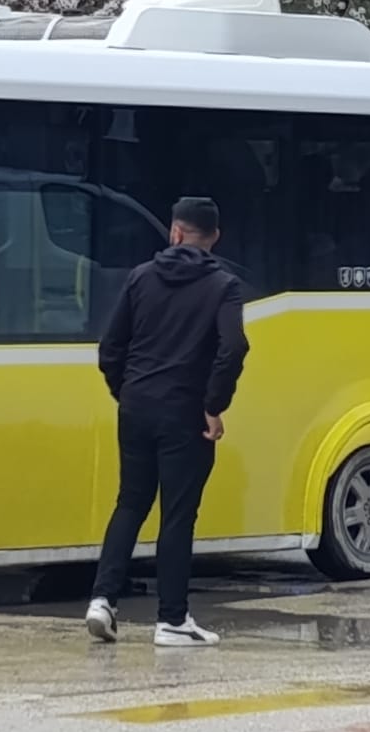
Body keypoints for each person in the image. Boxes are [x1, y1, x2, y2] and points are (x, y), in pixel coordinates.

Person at [85, 196, 250, 648]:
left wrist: (127, 391)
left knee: (130, 503)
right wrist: (214, 405)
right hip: (185, 414)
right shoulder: (223, 286)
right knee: (177, 514)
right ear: (213, 238)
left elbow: (109, 348)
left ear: (174, 232)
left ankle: (102, 600)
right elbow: (234, 347)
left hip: (136, 407)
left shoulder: (140, 278)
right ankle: (172, 620)